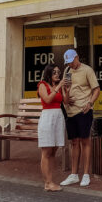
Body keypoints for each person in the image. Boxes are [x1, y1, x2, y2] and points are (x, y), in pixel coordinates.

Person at [60, 48, 100, 188]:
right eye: (68, 62)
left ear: (77, 57)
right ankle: (74, 174)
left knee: (85, 141)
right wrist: (66, 98)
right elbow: (65, 91)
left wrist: (90, 103)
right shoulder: (67, 71)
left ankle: (86, 174)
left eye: (71, 61)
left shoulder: (87, 70)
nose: (70, 64)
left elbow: (96, 89)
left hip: (83, 111)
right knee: (74, 143)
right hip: (70, 112)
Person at [36, 62, 66, 191]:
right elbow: (47, 99)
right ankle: (47, 183)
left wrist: (66, 89)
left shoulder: (57, 86)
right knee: (46, 151)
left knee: (54, 150)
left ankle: (51, 180)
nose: (57, 74)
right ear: (48, 73)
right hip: (48, 117)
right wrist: (59, 86)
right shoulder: (42, 85)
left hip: (58, 117)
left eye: (58, 72)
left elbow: (66, 101)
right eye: (54, 72)